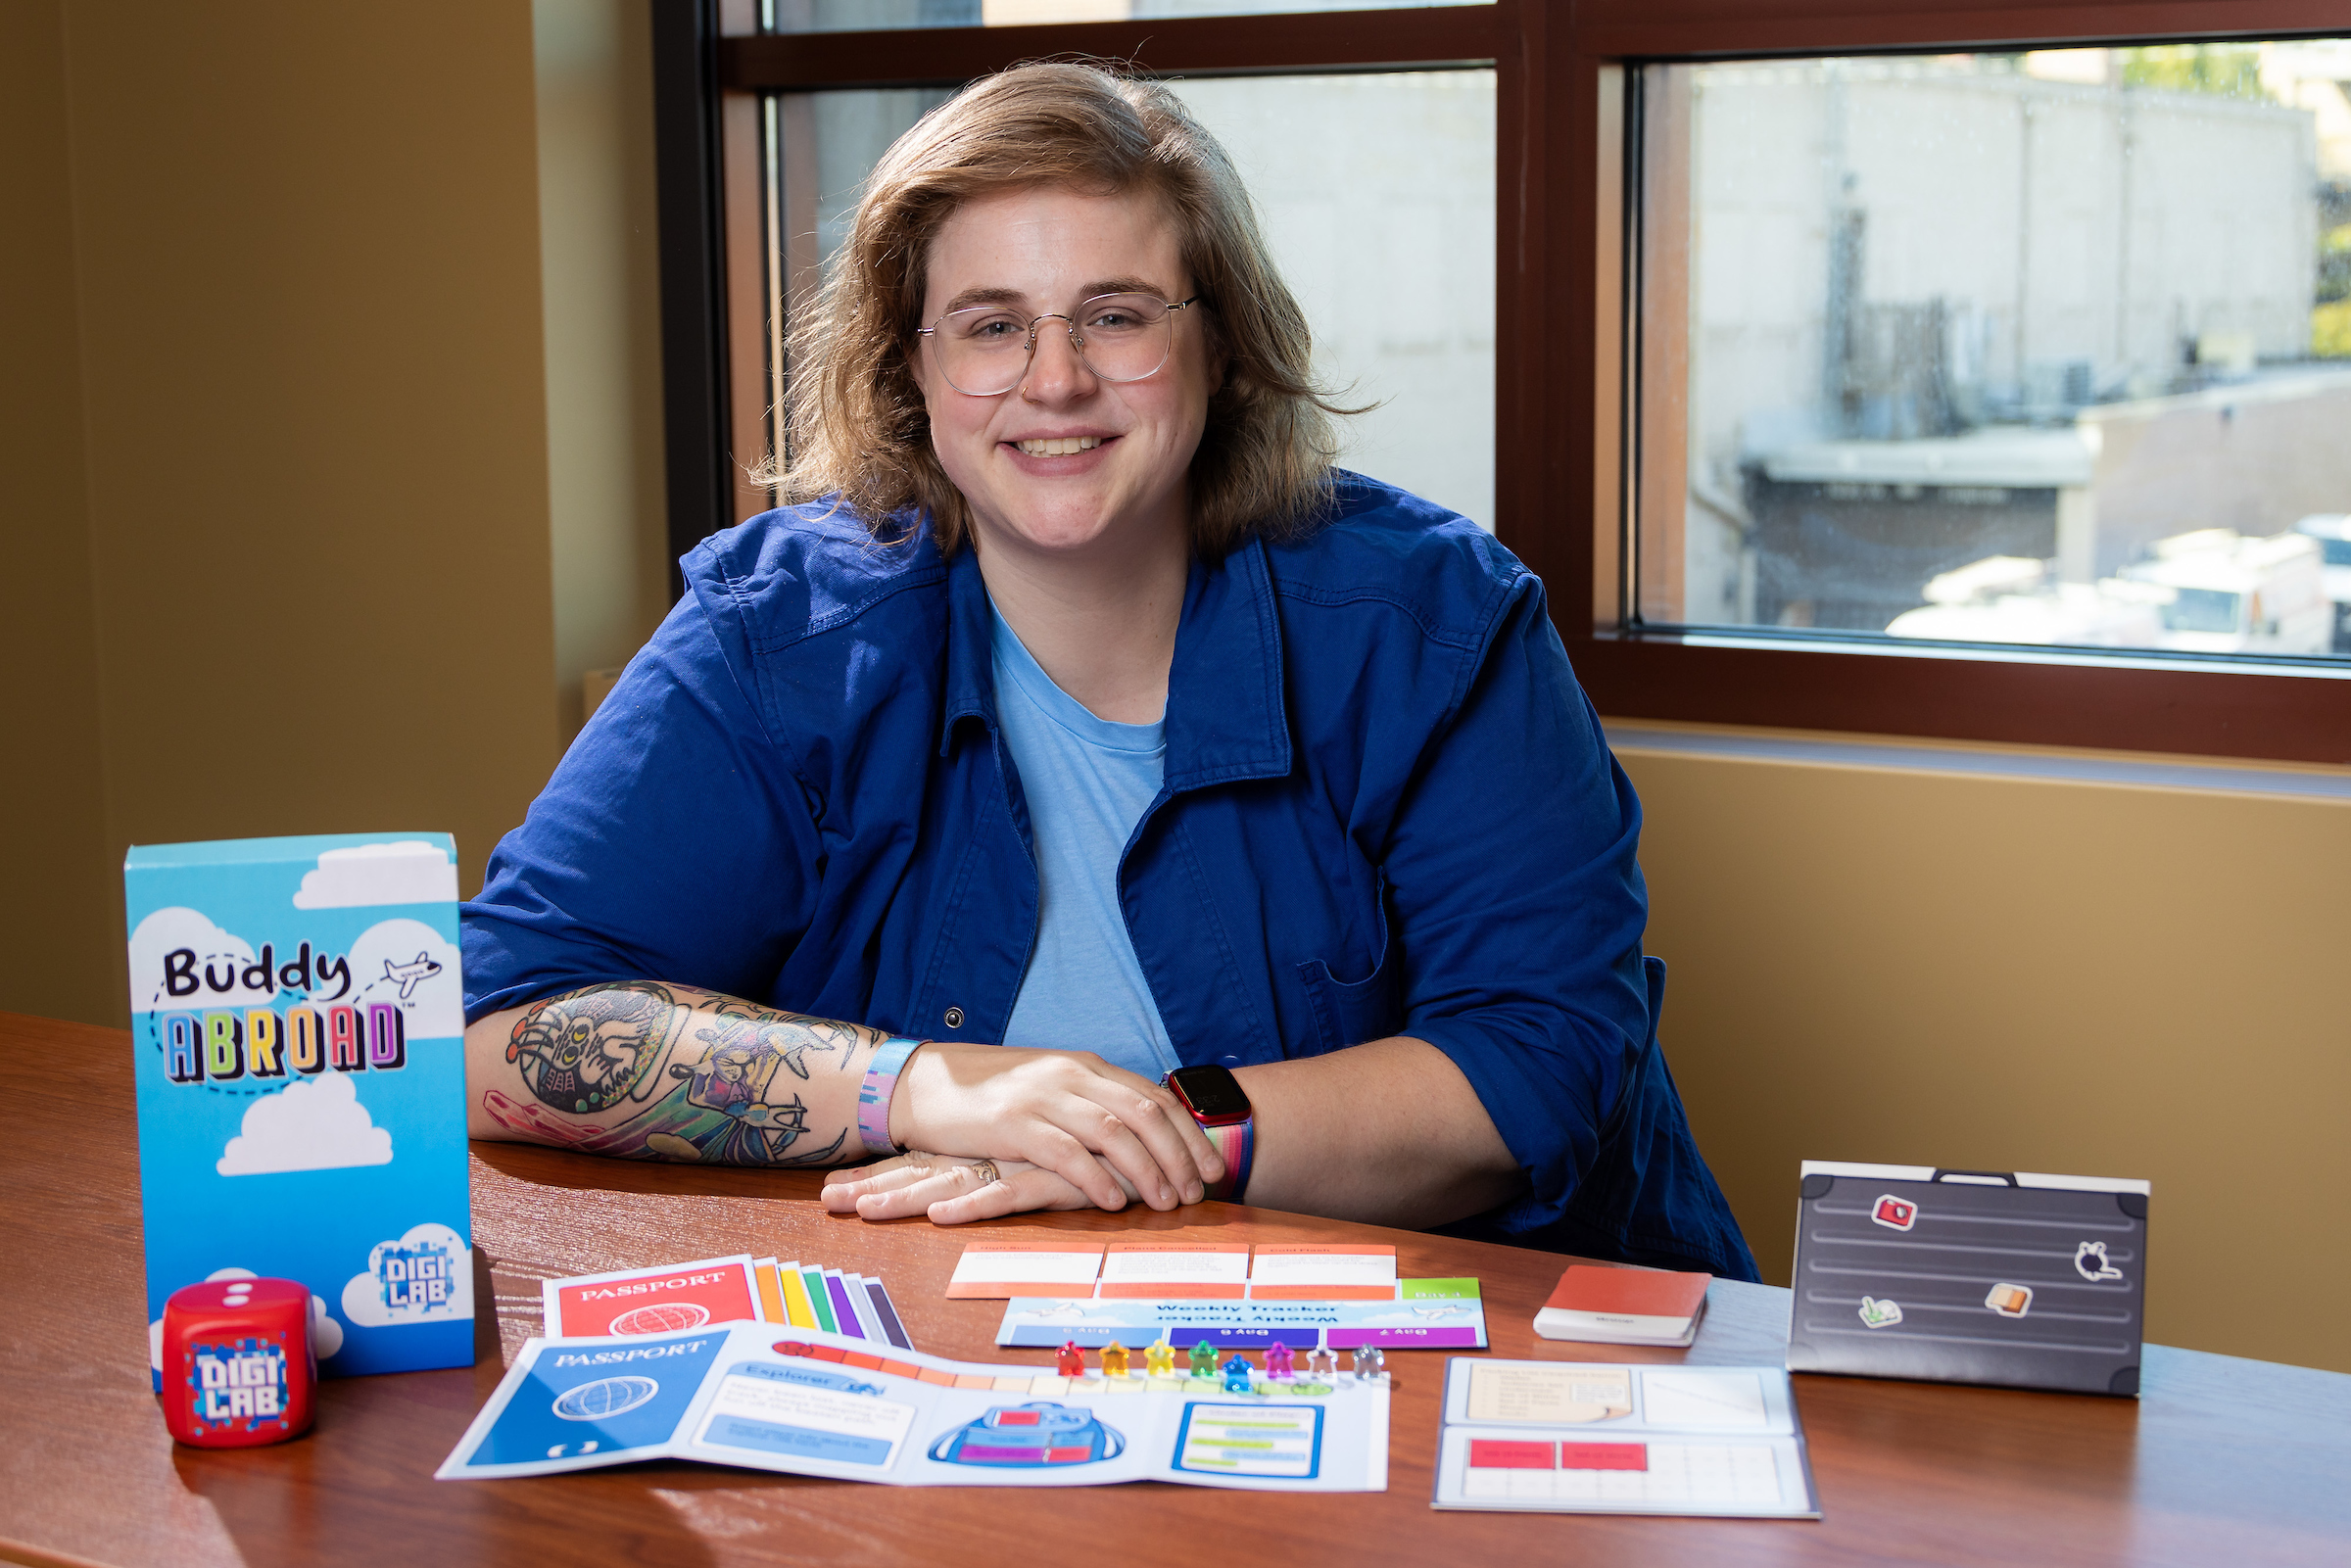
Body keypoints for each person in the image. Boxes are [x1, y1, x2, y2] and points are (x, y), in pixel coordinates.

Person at [459, 63, 1756, 1281]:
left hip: (1477, 1352)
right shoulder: (778, 635)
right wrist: (924, 1085)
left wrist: (1134, 1139)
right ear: (911, 368)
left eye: (1118, 316)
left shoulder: (1435, 622)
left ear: (1225, 347)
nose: (1056, 380)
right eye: (989, 325)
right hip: (951, 1345)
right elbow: (490, 1025)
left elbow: (1537, 1060)